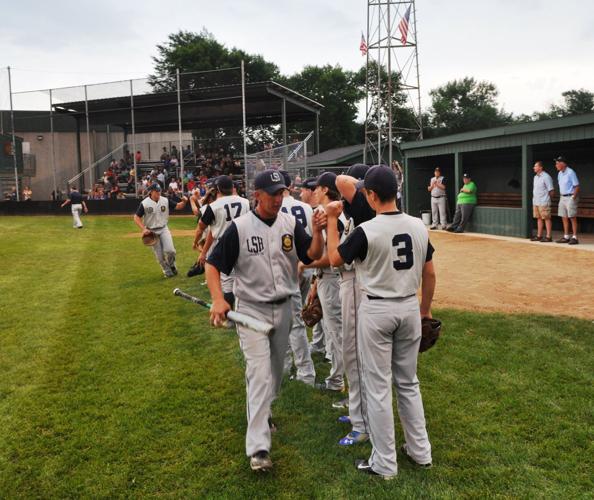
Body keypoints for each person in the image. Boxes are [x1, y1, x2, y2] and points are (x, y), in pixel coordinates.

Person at [206, 169, 325, 472]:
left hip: (284, 307)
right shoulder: (240, 227)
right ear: (256, 194)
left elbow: (311, 256)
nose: (277, 197)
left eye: (281, 191)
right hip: (250, 310)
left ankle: (263, 412)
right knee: (259, 373)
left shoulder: (289, 222)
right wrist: (220, 299)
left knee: (274, 372)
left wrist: (318, 230)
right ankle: (259, 448)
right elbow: (212, 264)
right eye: (271, 192)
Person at [325, 165, 435, 480]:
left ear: (372, 195)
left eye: (366, 191)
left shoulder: (366, 230)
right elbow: (430, 273)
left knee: (378, 389)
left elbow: (335, 259)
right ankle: (420, 451)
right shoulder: (418, 225)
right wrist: (425, 310)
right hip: (409, 308)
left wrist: (332, 220)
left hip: (377, 310)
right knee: (408, 383)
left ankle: (385, 463)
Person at [303, 172, 345, 394]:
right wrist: (314, 284)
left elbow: (332, 256)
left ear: (326, 190)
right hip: (328, 279)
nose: (315, 192)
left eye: (318, 188)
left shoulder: (326, 214)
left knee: (337, 333)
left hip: (334, 279)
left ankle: (338, 382)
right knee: (332, 331)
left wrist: (304, 265)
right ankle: (337, 378)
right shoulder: (338, 212)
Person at [279, 171, 316, 386]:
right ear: (290, 186)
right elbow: (313, 242)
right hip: (305, 267)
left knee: (288, 323)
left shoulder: (269, 209)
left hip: (284, 272)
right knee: (297, 319)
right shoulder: (305, 207)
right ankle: (297, 370)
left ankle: (302, 373)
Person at [197, 175, 250, 307]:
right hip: (244, 241)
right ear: (233, 187)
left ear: (218, 189)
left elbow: (201, 226)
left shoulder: (213, 206)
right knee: (244, 276)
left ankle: (228, 315)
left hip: (224, 243)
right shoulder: (245, 201)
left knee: (227, 282)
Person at [133, 183, 188, 278]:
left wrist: (184, 202)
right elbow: (136, 217)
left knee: (171, 251)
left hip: (163, 229)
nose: (159, 192)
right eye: (156, 191)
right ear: (151, 192)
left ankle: (171, 265)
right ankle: (167, 270)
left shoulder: (165, 200)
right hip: (152, 232)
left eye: (159, 191)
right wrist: (144, 229)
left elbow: (178, 206)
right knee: (160, 257)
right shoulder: (144, 203)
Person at [298, 177, 326, 356]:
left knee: (328, 315)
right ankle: (318, 344)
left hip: (324, 267)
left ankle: (330, 356)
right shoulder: (313, 211)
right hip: (319, 269)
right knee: (317, 306)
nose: (301, 194)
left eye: (303, 190)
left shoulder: (320, 212)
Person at [554, 156, 580, 245]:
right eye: (556, 163)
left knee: (572, 217)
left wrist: (573, 198)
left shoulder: (570, 172)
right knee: (563, 217)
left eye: (557, 163)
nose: (556, 165)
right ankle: (566, 236)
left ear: (563, 164)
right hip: (562, 197)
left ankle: (575, 237)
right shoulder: (559, 173)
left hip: (570, 197)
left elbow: (576, 186)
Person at [531, 161, 555, 242]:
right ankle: (539, 236)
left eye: (535, 166)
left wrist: (548, 199)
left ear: (540, 167)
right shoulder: (535, 177)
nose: (534, 168)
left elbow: (551, 190)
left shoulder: (546, 177)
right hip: (536, 201)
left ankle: (548, 237)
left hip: (544, 201)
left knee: (547, 218)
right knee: (539, 218)